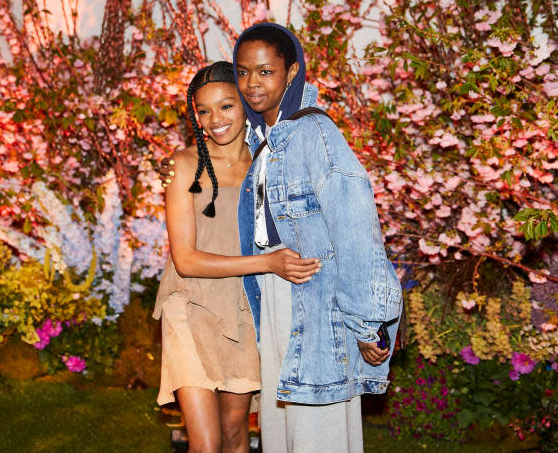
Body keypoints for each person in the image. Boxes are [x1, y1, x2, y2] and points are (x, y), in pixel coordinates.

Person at [161, 24, 403, 453]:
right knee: (279, 435)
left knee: (314, 433)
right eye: (244, 72)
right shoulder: (267, 145)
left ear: (291, 73)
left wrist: (371, 323)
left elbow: (356, 229)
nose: (253, 84)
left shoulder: (311, 135)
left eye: (265, 72)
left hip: (309, 304)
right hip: (266, 304)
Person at [153, 60, 320, 453]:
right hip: (188, 306)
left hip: (244, 308)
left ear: (245, 103)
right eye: (204, 110)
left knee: (235, 435)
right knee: (206, 444)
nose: (215, 119)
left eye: (226, 106)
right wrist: (268, 263)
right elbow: (186, 261)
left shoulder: (267, 164)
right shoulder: (182, 166)